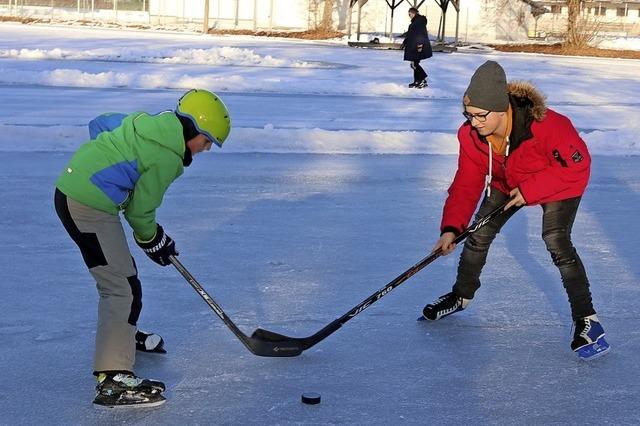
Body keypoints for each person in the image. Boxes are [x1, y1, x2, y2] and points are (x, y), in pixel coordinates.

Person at [421, 60, 609, 361]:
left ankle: (588, 321)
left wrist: (532, 190)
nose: (474, 123)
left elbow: (578, 164)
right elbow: (466, 183)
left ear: (501, 109)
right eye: (468, 115)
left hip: (558, 181)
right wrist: (451, 228)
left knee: (555, 239)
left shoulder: (548, 125)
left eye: (480, 116)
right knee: (478, 233)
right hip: (507, 181)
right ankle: (461, 296)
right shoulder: (470, 135)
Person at [54, 89, 231, 408]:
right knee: (120, 287)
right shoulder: (168, 156)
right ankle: (113, 379)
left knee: (125, 278)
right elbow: (139, 212)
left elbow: (102, 123)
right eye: (207, 141)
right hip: (88, 205)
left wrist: (105, 158)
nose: (206, 149)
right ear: (194, 128)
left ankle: (121, 337)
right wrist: (154, 241)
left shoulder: (150, 124)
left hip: (74, 193)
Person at [402, 7, 432, 88]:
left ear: (414, 13)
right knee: (414, 64)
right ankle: (417, 81)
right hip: (413, 46)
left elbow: (420, 34)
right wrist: (405, 42)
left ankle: (422, 79)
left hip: (417, 46)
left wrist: (419, 45)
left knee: (414, 64)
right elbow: (411, 34)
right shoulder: (416, 21)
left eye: (410, 14)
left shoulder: (418, 22)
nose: (409, 16)